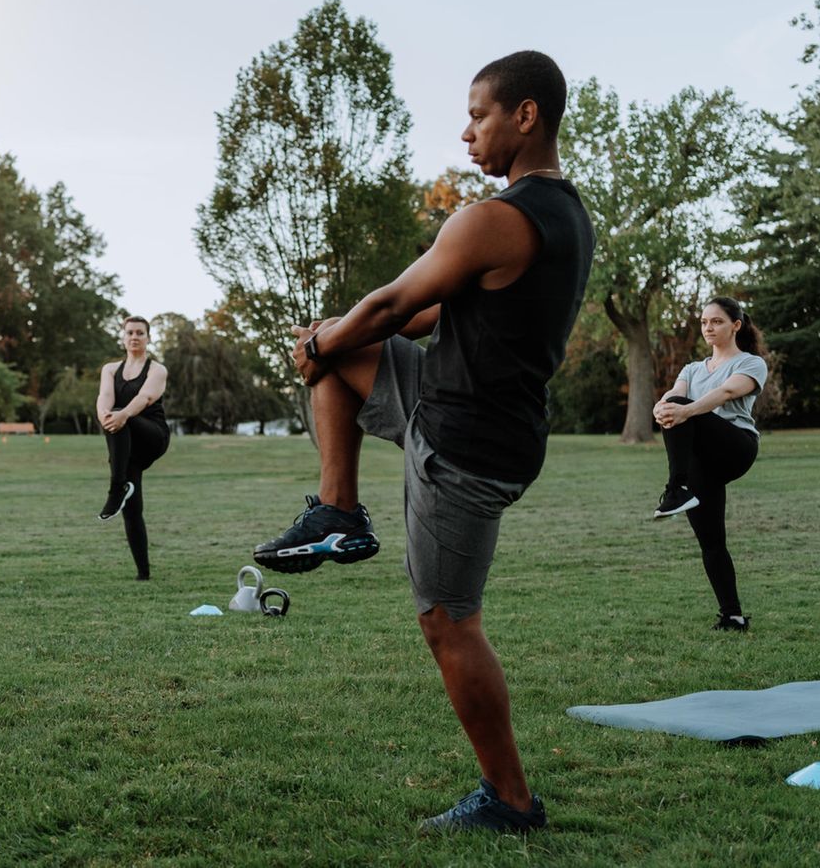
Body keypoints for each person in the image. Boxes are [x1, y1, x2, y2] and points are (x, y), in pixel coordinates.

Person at [252, 52, 593, 833]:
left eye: (478, 114)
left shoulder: (492, 218)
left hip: (466, 440)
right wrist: (331, 339)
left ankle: (510, 800)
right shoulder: (564, 215)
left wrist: (323, 338)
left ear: (526, 115)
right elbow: (429, 314)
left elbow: (393, 299)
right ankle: (338, 511)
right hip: (458, 405)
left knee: (449, 620)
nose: (467, 130)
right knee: (334, 351)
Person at [652, 296, 767, 632]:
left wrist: (683, 410)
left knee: (682, 406)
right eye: (704, 322)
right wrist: (662, 408)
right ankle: (732, 616)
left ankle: (677, 488)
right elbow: (674, 394)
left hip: (736, 447)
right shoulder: (692, 369)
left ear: (736, 325)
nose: (708, 328)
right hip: (701, 459)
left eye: (716, 321)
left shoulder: (750, 363)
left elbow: (728, 393)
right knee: (712, 542)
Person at [95, 316, 169, 581]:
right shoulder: (110, 369)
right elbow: (104, 397)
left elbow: (145, 398)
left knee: (117, 416)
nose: (134, 336)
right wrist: (105, 415)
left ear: (148, 338)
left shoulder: (156, 369)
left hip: (152, 436)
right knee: (132, 509)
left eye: (140, 332)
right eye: (130, 332)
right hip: (127, 445)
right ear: (123, 337)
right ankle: (143, 573)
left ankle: (116, 487)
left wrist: (119, 415)